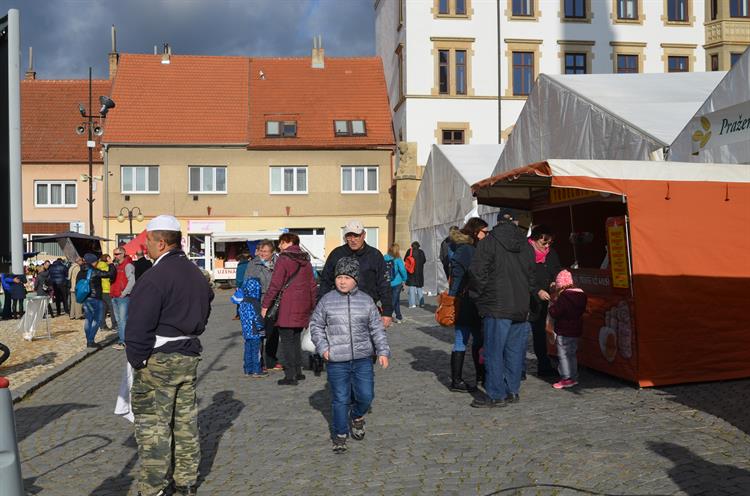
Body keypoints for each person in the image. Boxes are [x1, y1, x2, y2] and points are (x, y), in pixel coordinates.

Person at [125, 214, 213, 496]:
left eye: (148, 242)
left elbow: (138, 326)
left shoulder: (154, 278)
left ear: (161, 243)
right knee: (185, 423)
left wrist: (138, 360)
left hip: (158, 359)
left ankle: (153, 487)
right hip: (188, 355)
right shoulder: (196, 274)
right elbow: (204, 312)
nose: (144, 248)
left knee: (154, 427)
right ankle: (186, 481)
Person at [309, 257, 390, 453]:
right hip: (337, 360)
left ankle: (357, 416)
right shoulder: (327, 301)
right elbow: (316, 326)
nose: (342, 281)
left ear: (355, 279)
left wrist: (382, 351)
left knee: (366, 395)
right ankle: (340, 434)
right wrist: (323, 348)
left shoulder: (366, 301)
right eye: (339, 277)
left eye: (346, 277)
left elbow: (377, 329)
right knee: (340, 398)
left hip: (362, 358)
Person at [468, 209, 535, 408]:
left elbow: (477, 273)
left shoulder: (489, 242)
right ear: (515, 221)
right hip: (521, 305)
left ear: (497, 221)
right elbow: (532, 275)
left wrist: (478, 298)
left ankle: (496, 394)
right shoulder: (526, 245)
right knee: (515, 351)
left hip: (497, 305)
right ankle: (512, 391)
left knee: (494, 352)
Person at [261, 232, 317, 386]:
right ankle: (298, 372)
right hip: (303, 305)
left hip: (287, 306)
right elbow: (312, 285)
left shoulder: (283, 259)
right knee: (296, 339)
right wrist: (313, 305)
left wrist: (265, 305)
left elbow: (275, 285)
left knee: (286, 340)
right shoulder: (306, 261)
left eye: (281, 242)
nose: (279, 246)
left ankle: (290, 375)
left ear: (288, 241)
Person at [318, 220, 392, 328]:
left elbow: (384, 284)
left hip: (367, 310)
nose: (352, 240)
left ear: (363, 235)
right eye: (349, 236)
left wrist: (387, 312)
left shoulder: (375, 255)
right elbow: (325, 282)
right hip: (339, 310)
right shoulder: (337, 254)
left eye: (356, 236)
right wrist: (320, 307)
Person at [447, 218, 489, 393]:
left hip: (470, 300)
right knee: (464, 339)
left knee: (476, 339)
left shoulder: (470, 248)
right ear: (475, 231)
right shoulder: (467, 250)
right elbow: (466, 275)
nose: (486, 235)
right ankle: (458, 380)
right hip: (466, 300)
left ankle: (479, 376)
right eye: (484, 232)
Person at [527, 225, 562, 377]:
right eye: (544, 243)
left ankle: (547, 363)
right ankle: (537, 365)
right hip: (530, 299)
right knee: (534, 332)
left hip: (549, 298)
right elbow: (523, 277)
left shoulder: (551, 253)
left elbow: (557, 269)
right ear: (534, 240)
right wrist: (536, 290)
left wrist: (555, 281)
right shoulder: (525, 252)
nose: (547, 246)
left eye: (549, 243)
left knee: (546, 331)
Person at [548, 269, 587, 389]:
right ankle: (573, 377)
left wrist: (552, 305)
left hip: (564, 330)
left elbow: (555, 312)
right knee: (572, 354)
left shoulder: (564, 297)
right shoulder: (581, 295)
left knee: (564, 355)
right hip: (576, 330)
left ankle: (566, 378)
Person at [244, 239, 279, 371]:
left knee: (273, 332)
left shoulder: (278, 263)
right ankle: (259, 362)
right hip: (258, 301)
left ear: (272, 252)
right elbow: (248, 282)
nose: (262, 254)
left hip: (275, 301)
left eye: (265, 251)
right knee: (259, 332)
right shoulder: (254, 264)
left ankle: (271, 359)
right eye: (261, 251)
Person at [77, 253, 116, 348]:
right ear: (93, 262)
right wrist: (111, 264)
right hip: (95, 298)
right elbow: (109, 274)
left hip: (86, 298)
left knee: (88, 319)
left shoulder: (80, 271)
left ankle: (88, 340)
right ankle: (90, 341)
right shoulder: (93, 271)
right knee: (97, 320)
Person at [231, 277, 266, 377]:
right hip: (255, 331)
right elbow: (257, 318)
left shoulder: (242, 302)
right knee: (256, 352)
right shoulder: (255, 302)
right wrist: (262, 327)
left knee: (248, 351)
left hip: (246, 331)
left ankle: (247, 369)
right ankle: (257, 370)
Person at [110, 248, 136, 350]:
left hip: (122, 297)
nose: (115, 256)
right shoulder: (116, 265)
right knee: (119, 320)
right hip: (115, 295)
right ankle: (124, 339)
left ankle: (123, 341)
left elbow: (132, 281)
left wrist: (124, 293)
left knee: (122, 320)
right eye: (114, 254)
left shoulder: (128, 265)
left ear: (123, 253)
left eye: (117, 254)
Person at [384, 243, 407, 323]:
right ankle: (387, 317)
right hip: (397, 283)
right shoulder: (398, 259)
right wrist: (405, 279)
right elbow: (402, 270)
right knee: (393, 300)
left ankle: (399, 316)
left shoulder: (385, 257)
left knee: (396, 300)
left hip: (387, 282)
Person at [98, 254, 117, 330]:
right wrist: (111, 264)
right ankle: (114, 324)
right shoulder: (105, 266)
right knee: (112, 308)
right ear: (107, 258)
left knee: (104, 308)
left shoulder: (98, 266)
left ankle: (102, 325)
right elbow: (112, 274)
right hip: (107, 289)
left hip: (101, 290)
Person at [405, 241, 426, 308]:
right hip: (419, 273)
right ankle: (422, 303)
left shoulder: (409, 251)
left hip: (411, 272)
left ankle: (412, 304)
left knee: (411, 288)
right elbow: (424, 261)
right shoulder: (421, 252)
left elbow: (405, 259)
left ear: (412, 246)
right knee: (419, 288)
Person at [233, 252, 251, 320]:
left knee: (239, 301)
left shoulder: (240, 266)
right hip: (250, 284)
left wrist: (237, 286)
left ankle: (238, 315)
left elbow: (239, 278)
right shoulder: (250, 265)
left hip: (242, 286)